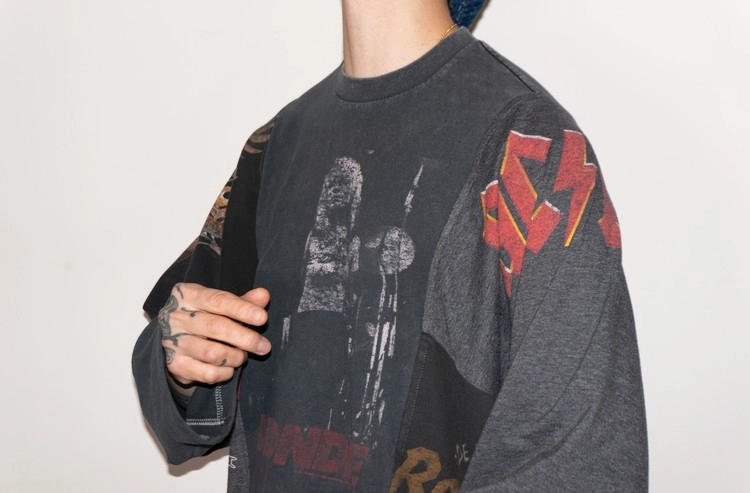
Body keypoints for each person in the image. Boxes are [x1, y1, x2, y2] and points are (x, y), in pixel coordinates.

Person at [132, 0, 648, 491]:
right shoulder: (277, 144)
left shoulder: (531, 148)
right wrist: (184, 367)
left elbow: (580, 462)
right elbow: (176, 388)